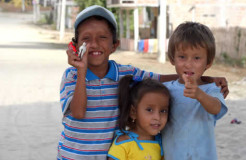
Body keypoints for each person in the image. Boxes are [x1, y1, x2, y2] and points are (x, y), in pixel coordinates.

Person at [58, 5, 229, 160]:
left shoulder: (126, 73)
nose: (94, 44)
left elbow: (160, 78)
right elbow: (78, 113)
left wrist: (206, 79)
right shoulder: (72, 76)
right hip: (72, 156)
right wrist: (81, 70)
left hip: (110, 155)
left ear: (114, 45)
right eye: (86, 39)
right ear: (75, 45)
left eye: (102, 37)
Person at [162, 22, 228, 160]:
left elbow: (217, 108)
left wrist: (199, 95)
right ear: (172, 59)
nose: (188, 64)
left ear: (208, 63)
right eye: (182, 57)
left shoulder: (211, 89)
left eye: (197, 58)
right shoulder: (166, 90)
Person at [107, 75, 170, 160]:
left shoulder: (162, 142)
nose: (157, 117)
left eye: (163, 111)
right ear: (133, 112)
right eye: (149, 110)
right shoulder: (124, 143)